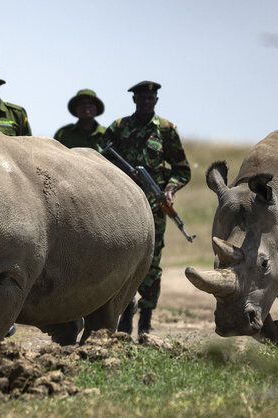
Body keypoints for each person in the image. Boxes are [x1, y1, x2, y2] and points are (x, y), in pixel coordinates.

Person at [99, 80, 191, 336]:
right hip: (121, 206)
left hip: (154, 207)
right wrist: (121, 175)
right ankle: (126, 317)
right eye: (141, 98)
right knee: (123, 260)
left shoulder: (166, 130)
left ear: (156, 101)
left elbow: (183, 170)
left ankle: (146, 322)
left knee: (151, 264)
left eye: (151, 99)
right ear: (134, 100)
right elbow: (99, 157)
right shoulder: (119, 127)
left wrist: (169, 190)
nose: (146, 102)